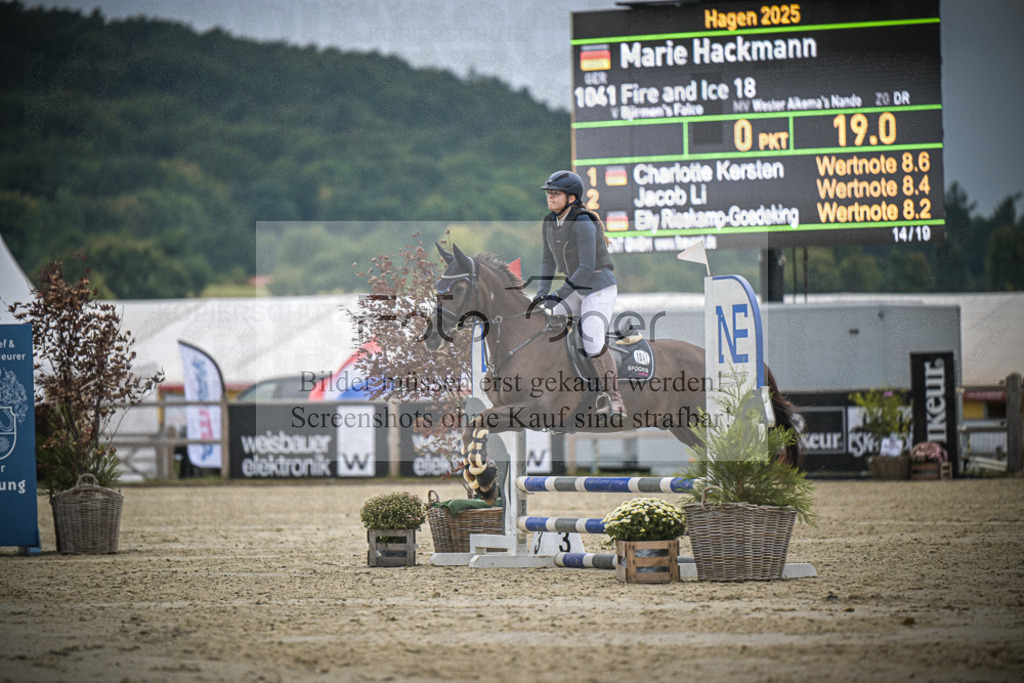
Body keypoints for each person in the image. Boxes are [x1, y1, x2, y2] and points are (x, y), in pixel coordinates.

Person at [533, 170, 625, 417]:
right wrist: (542, 293)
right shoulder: (550, 222)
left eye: (555, 194)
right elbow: (547, 261)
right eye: (549, 194)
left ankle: (614, 398)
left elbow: (585, 268)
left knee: (592, 339)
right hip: (578, 287)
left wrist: (558, 294)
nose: (550, 198)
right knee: (546, 322)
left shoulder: (583, 222)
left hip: (599, 288)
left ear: (571, 198)